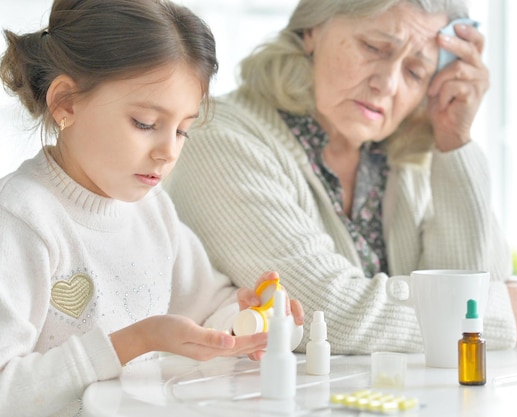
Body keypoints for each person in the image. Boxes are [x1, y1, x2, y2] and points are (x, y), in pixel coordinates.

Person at [165, 0, 517, 354]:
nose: (388, 84)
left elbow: (478, 284)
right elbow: (323, 310)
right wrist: (499, 314)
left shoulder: (412, 156)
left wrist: (454, 142)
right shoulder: (219, 137)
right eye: (374, 47)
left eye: (415, 72)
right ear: (313, 28)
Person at [0, 1, 303, 416]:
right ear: (66, 102)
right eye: (145, 123)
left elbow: (206, 306)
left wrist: (244, 321)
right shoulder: (20, 220)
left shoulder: (153, 210)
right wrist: (133, 343)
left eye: (183, 130)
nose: (168, 152)